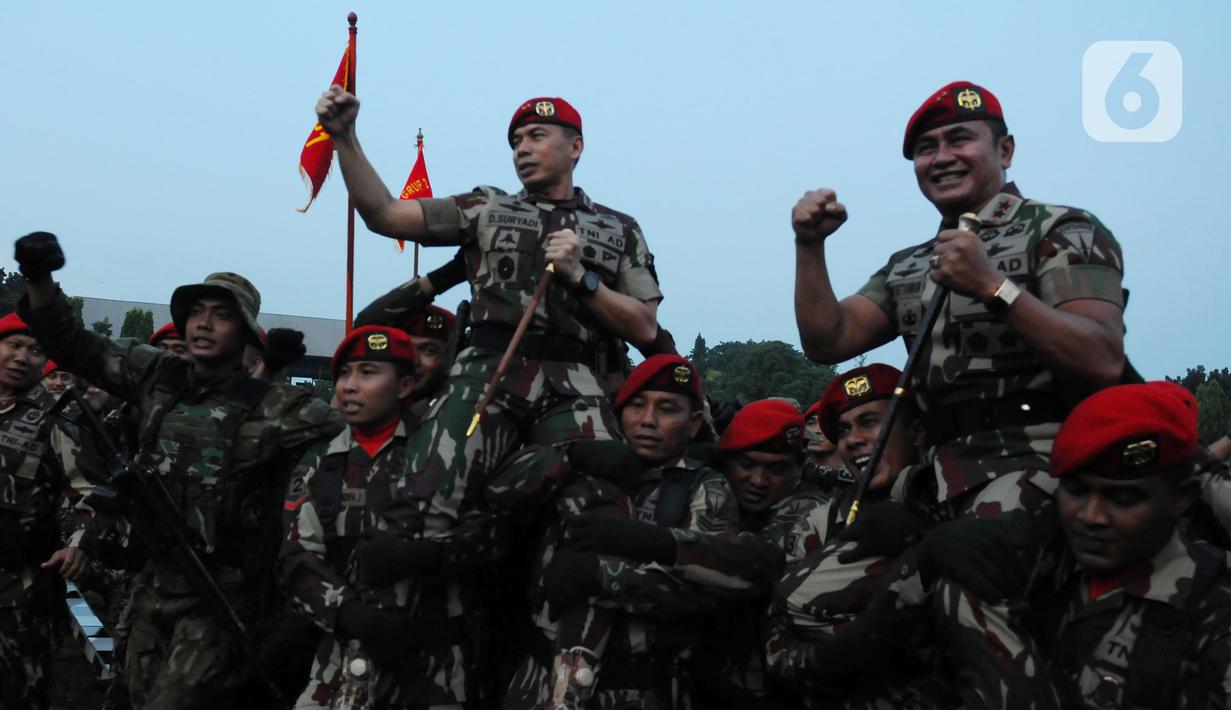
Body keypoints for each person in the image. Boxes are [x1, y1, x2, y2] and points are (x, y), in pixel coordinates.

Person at [15, 232, 343, 710]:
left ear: (247, 332)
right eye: (197, 312)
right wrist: (40, 277)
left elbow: (355, 438)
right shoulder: (156, 376)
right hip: (154, 579)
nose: (204, 324)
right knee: (126, 695)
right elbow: (73, 342)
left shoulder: (280, 408)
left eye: (223, 315)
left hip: (223, 594)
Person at [792, 81, 1126, 518]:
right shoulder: (909, 264)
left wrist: (993, 287)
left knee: (966, 578)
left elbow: (1102, 357)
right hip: (932, 477)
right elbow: (828, 341)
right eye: (927, 148)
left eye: (960, 139)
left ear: (1005, 151)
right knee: (814, 580)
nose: (943, 156)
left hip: (1044, 465)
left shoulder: (1063, 231)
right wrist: (809, 245)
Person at [489, 355, 769, 709]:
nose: (649, 421)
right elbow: (496, 491)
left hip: (635, 688)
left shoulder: (703, 487)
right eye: (637, 406)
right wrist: (570, 459)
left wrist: (604, 577)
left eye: (667, 409)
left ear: (695, 422)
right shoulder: (586, 465)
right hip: (541, 679)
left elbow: (703, 590)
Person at [935, 381, 1231, 709]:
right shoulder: (1043, 559)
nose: (1091, 517)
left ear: (1181, 499)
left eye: (1122, 498)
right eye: (1076, 491)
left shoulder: (1213, 615)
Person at [280, 325, 488, 708]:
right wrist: (349, 613)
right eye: (344, 373)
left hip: (433, 668)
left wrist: (433, 557)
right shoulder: (321, 464)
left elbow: (485, 536)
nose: (349, 386)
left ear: (406, 385)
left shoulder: (441, 454)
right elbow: (297, 557)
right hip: (342, 662)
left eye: (368, 372)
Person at [690, 399, 831, 708]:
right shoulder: (712, 494)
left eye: (775, 468)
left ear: (799, 467)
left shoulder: (809, 511)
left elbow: (749, 564)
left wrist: (651, 543)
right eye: (747, 464)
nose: (758, 480)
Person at [0, 312, 67, 710]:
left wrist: (78, 546)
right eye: (14, 345)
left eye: (35, 350)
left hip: (18, 602)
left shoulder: (55, 422)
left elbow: (93, 494)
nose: (23, 357)